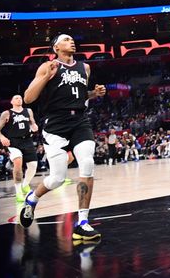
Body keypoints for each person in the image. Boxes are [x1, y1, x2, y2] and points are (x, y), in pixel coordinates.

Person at [19, 34, 106, 242]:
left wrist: (94, 93)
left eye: (72, 39)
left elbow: (79, 95)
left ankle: (83, 223)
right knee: (57, 178)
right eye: (66, 40)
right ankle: (32, 198)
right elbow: (28, 98)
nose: (72, 41)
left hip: (80, 122)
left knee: (87, 163)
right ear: (56, 47)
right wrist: (44, 77)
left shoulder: (84, 68)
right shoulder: (47, 66)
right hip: (55, 123)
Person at [0, 95, 39, 201]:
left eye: (20, 98)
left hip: (27, 140)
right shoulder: (7, 113)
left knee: (33, 165)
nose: (19, 99)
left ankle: (25, 185)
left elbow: (32, 123)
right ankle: (18, 192)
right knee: (18, 162)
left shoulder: (28, 111)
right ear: (11, 101)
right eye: (16, 98)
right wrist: (2, 137)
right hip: (13, 141)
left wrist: (34, 126)